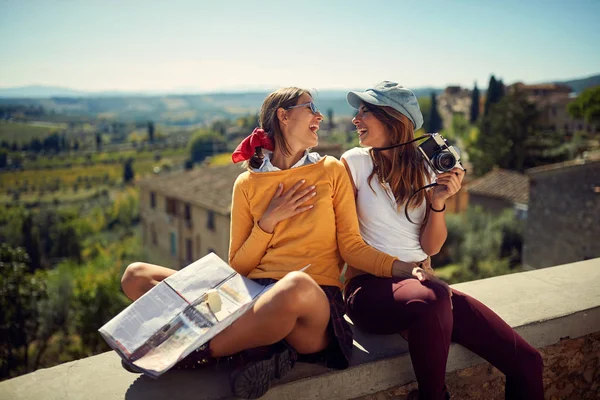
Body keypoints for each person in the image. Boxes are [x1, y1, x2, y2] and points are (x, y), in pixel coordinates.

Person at [121, 87, 418, 399]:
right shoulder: (247, 184)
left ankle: (188, 351)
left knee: (294, 286)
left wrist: (402, 269)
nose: (319, 116)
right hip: (250, 296)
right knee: (136, 275)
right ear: (284, 115)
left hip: (310, 306)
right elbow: (238, 265)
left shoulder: (331, 171)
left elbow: (351, 247)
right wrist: (267, 223)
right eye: (311, 107)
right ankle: (261, 350)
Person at [340, 81, 544, 400]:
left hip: (422, 287)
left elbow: (431, 248)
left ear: (393, 118)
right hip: (368, 287)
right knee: (435, 294)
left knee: (529, 362)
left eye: (365, 111)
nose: (356, 118)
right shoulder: (352, 163)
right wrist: (407, 272)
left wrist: (439, 200)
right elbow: (348, 244)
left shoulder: (426, 166)